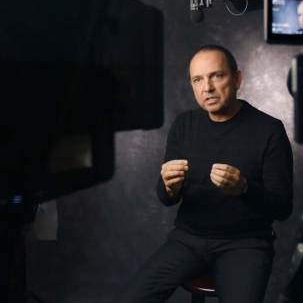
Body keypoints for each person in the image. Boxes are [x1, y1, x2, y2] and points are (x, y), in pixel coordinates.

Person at [117, 45, 293, 303]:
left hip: (245, 243)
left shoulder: (269, 130)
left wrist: (244, 188)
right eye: (197, 79)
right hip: (188, 240)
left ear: (237, 78)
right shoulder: (184, 125)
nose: (207, 87)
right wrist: (168, 186)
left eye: (216, 76)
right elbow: (166, 199)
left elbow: (283, 208)